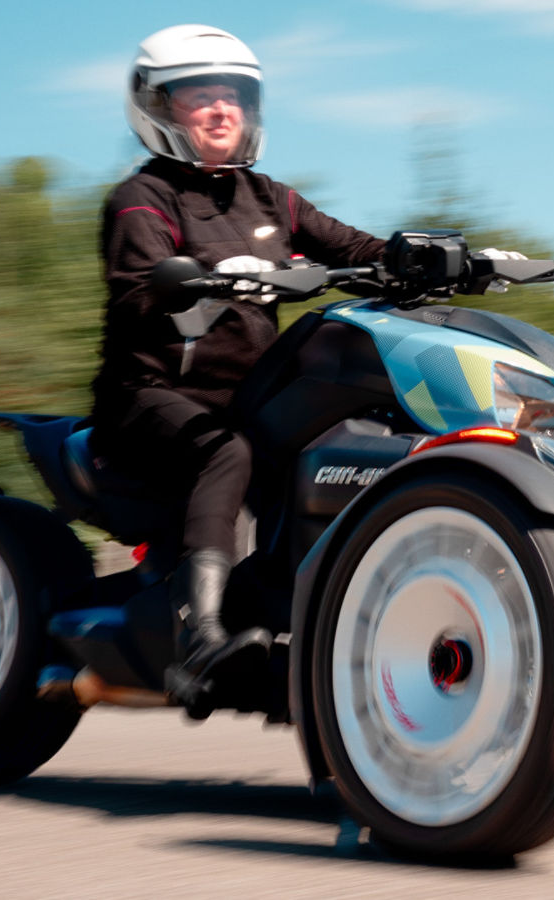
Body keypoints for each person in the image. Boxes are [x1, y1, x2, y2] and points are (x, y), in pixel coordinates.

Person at [90, 25, 386, 707]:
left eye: (233, 96)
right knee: (226, 454)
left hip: (250, 396)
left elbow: (352, 248)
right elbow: (137, 295)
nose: (223, 110)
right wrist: (211, 279)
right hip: (152, 397)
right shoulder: (143, 199)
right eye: (200, 97)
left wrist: (424, 255)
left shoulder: (270, 197)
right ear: (159, 108)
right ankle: (199, 640)